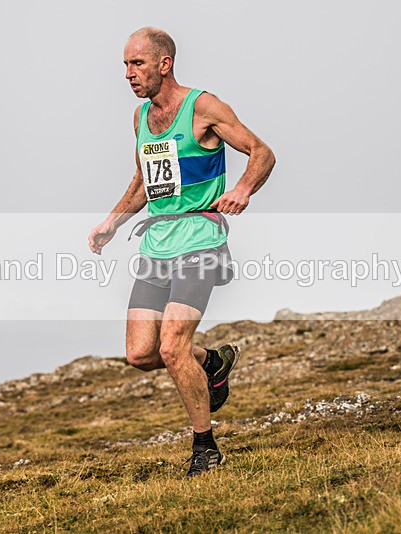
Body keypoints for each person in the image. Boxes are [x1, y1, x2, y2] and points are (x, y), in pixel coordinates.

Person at [88, 27, 275, 478]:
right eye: (125, 66)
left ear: (164, 64)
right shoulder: (140, 119)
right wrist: (112, 222)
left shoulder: (203, 107)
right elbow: (143, 182)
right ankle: (213, 361)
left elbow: (261, 152)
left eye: (137, 64)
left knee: (173, 347)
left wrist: (243, 190)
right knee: (141, 354)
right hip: (156, 246)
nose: (128, 74)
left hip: (200, 242)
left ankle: (205, 447)